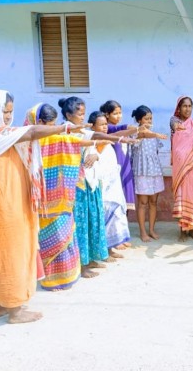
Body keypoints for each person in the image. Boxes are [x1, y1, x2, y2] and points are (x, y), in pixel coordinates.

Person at [0, 90, 86, 323]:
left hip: (12, 203)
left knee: (6, 252)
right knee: (12, 252)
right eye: (4, 112)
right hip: (7, 207)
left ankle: (3, 304)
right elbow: (32, 131)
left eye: (10, 112)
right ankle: (15, 311)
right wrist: (64, 128)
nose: (8, 117)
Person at [25, 103, 99, 291]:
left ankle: (67, 276)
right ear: (38, 122)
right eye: (49, 125)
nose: (52, 129)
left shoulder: (56, 137)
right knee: (47, 239)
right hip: (40, 200)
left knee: (64, 235)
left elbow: (73, 142)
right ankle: (50, 280)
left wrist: (96, 142)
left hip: (60, 196)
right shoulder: (26, 140)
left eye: (54, 125)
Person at [59, 97, 135, 279]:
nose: (82, 117)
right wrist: (113, 139)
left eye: (83, 114)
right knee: (81, 224)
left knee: (93, 220)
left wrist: (95, 154)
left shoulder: (81, 131)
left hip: (90, 183)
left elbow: (93, 144)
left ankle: (91, 258)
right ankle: (81, 265)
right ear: (68, 115)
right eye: (79, 114)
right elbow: (84, 145)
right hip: (76, 186)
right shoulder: (64, 131)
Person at [89, 111, 131, 259]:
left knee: (116, 216)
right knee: (104, 217)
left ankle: (111, 249)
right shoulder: (93, 141)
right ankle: (104, 251)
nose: (105, 127)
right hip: (102, 186)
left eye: (105, 124)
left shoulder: (107, 140)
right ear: (93, 127)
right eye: (101, 125)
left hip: (113, 185)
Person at [170, 96, 193, 241]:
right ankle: (182, 231)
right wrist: (176, 126)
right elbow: (174, 124)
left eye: (190, 106)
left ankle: (192, 229)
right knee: (183, 197)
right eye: (184, 106)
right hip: (181, 167)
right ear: (179, 108)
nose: (187, 109)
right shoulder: (175, 121)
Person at [130, 105, 168, 242]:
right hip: (142, 172)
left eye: (151, 118)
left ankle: (151, 230)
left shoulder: (154, 134)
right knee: (142, 202)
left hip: (155, 171)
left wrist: (155, 135)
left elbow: (156, 151)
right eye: (146, 119)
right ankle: (143, 232)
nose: (149, 121)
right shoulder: (135, 133)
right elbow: (143, 135)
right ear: (139, 120)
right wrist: (156, 134)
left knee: (153, 202)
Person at [100, 100, 137, 217]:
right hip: (115, 169)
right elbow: (119, 129)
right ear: (107, 115)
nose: (119, 116)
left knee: (125, 202)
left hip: (124, 167)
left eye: (120, 113)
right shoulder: (108, 128)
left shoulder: (117, 129)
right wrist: (133, 128)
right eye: (115, 113)